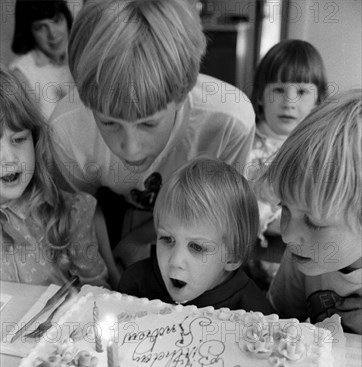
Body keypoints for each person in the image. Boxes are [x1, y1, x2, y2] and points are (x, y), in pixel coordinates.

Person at [49, 0, 255, 269]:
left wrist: (140, 238)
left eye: (148, 124)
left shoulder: (230, 124)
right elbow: (81, 212)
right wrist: (110, 277)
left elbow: (222, 221)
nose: (130, 149)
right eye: (109, 123)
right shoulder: (66, 127)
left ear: (182, 93)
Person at [0, 66, 110, 288]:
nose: (9, 158)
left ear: (35, 139)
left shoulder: (69, 215)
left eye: (19, 139)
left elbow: (98, 298)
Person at [119, 158, 274, 313]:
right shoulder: (136, 284)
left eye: (197, 247)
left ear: (232, 257)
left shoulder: (252, 313)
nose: (175, 261)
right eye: (167, 239)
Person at [266, 89, 362, 334]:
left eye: (314, 222)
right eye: (285, 208)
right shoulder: (302, 253)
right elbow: (278, 327)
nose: (287, 235)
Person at [245, 39, 328, 290]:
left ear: (318, 101)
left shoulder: (321, 149)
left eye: (301, 92)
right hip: (255, 270)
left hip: (310, 273)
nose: (289, 101)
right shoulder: (248, 147)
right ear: (260, 96)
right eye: (279, 90)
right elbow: (245, 207)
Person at [9, 1, 75, 119]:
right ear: (29, 32)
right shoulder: (22, 74)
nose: (53, 34)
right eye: (41, 27)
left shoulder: (82, 55)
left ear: (67, 19)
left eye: (57, 21)